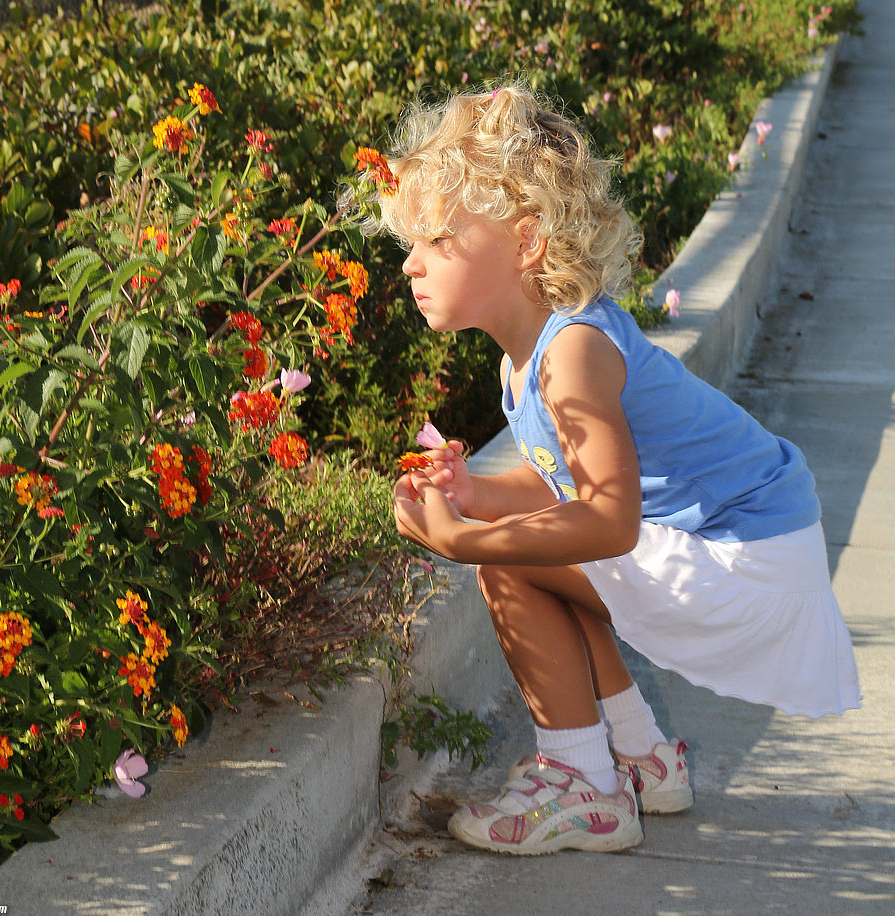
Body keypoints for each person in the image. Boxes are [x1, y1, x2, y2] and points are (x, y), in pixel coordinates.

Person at [358, 82, 861, 856]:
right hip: (753, 544)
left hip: (751, 563)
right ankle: (642, 757)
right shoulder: (531, 355)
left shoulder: (572, 356)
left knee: (511, 565)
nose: (411, 266)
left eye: (435, 241)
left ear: (525, 242)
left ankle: (584, 787)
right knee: (528, 539)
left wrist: (462, 539)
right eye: (410, 246)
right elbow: (567, 484)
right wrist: (475, 493)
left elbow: (608, 520)